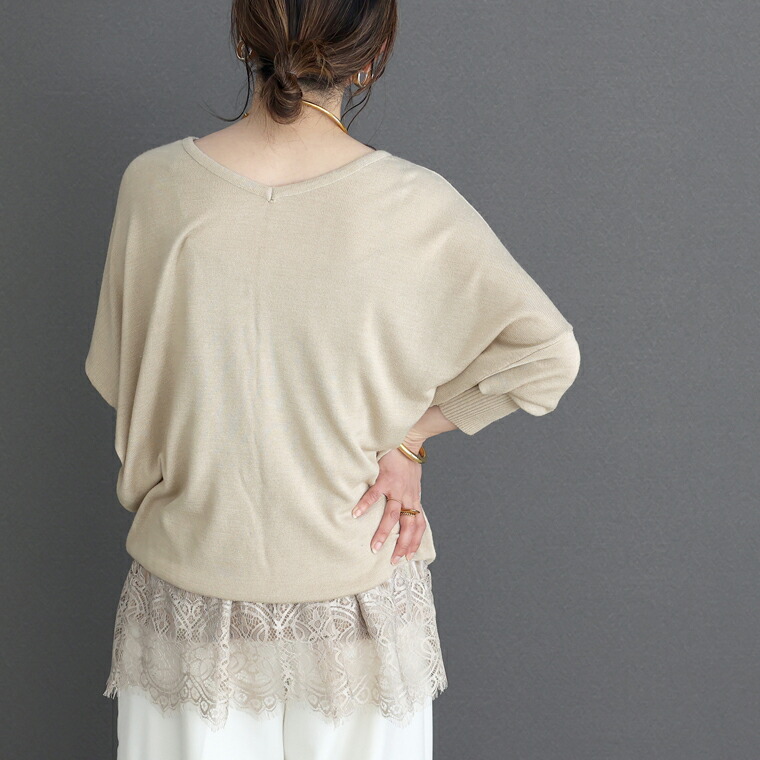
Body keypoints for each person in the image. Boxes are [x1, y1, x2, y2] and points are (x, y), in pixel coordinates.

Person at [84, 1, 581, 758]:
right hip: (359, 606)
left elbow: (128, 382)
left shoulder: (153, 186)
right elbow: (548, 356)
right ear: (371, 58)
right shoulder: (415, 204)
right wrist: (408, 438)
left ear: (244, 38)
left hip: (192, 605)